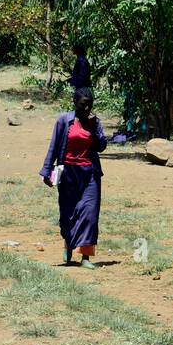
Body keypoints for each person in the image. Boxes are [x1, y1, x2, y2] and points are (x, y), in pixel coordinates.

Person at [40, 87, 108, 269]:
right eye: (83, 105)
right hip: (68, 173)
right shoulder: (64, 120)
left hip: (90, 173)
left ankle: (85, 256)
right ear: (75, 103)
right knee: (68, 213)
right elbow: (54, 146)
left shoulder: (95, 122)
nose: (87, 109)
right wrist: (47, 171)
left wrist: (93, 129)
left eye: (90, 105)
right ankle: (68, 245)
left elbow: (102, 146)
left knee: (90, 213)